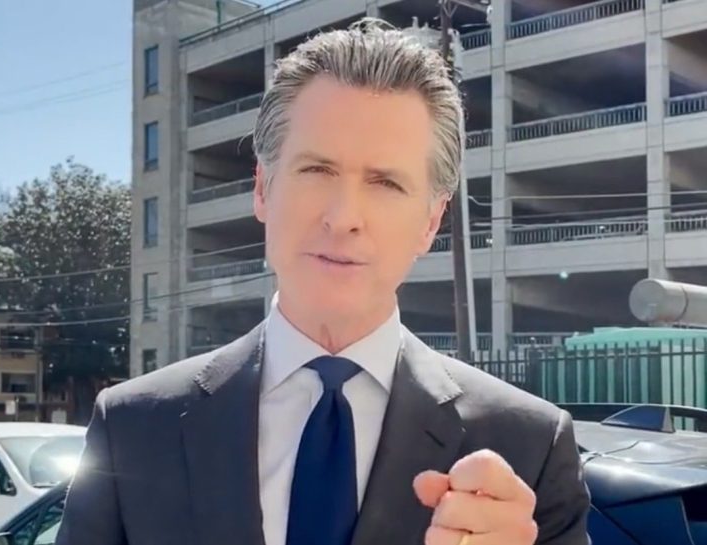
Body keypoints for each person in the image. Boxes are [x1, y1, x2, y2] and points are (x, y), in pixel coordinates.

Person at [55, 19, 590, 545]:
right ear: (262, 189)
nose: (343, 217)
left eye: (386, 182)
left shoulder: (529, 449)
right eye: (316, 170)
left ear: (431, 220)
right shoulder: (133, 428)